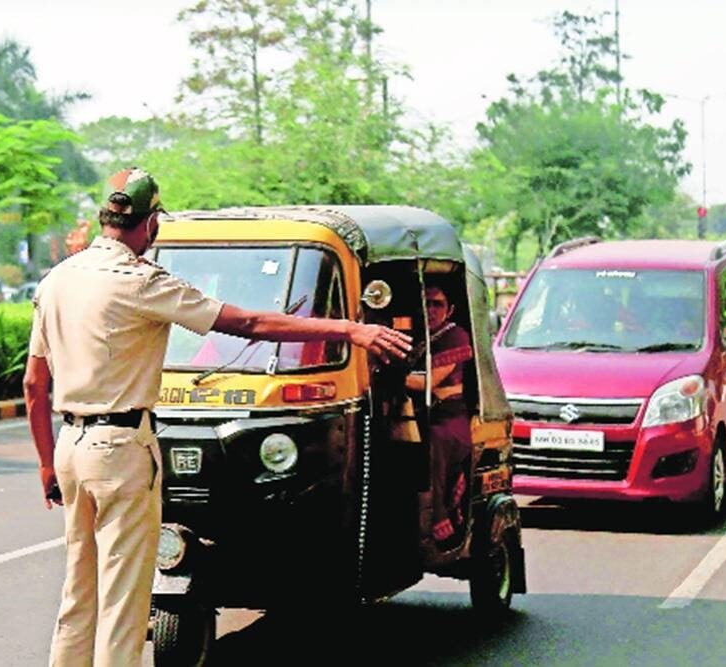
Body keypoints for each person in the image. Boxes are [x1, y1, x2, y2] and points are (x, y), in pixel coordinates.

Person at [24, 167, 413, 666]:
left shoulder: (58, 280)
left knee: (80, 588)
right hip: (119, 450)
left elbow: (35, 386)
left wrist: (46, 464)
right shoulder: (141, 282)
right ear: (151, 223)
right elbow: (249, 324)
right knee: (123, 596)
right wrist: (350, 330)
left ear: (105, 218)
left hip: (71, 446)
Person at [405, 284, 474, 551]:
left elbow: (429, 383)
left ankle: (439, 520)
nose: (431, 310)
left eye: (437, 304)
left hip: (448, 420)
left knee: (430, 444)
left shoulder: (456, 335)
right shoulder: (419, 337)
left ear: (450, 309)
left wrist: (385, 377)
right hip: (418, 415)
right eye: (427, 304)